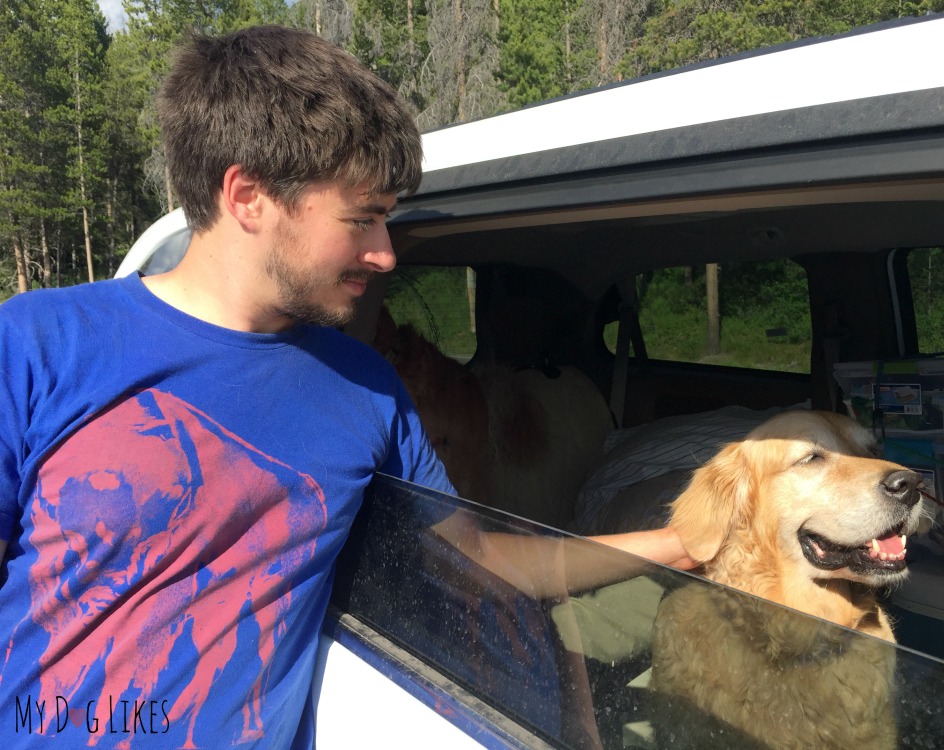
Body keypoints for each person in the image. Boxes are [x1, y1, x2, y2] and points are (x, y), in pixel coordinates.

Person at [0, 25, 692, 748]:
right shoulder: (37, 345)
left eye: (386, 221)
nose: (386, 254)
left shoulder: (369, 389)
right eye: (362, 218)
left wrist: (678, 542)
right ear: (247, 196)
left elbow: (484, 564)